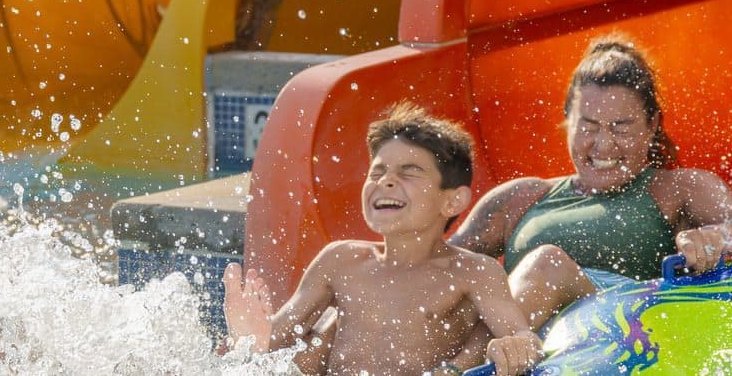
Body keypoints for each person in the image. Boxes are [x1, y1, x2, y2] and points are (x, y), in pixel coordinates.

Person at [449, 36, 732, 328]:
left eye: (621, 128)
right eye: (588, 127)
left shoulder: (674, 189)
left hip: (616, 333)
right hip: (524, 340)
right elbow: (435, 265)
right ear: (567, 121)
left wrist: (716, 237)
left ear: (651, 126)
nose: (603, 146)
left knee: (547, 265)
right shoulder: (519, 197)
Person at [222, 102, 544, 376]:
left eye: (409, 171)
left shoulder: (472, 272)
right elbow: (275, 340)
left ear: (453, 201)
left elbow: (522, 337)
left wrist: (512, 347)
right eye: (377, 172)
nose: (386, 181)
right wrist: (249, 337)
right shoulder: (341, 260)